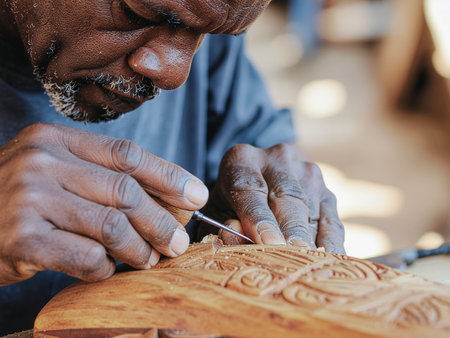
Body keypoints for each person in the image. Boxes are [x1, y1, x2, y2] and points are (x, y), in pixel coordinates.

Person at [0, 0, 345, 333]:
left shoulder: (207, 13)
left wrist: (274, 203)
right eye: (138, 13)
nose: (174, 74)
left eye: (209, 34)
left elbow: (275, 156)